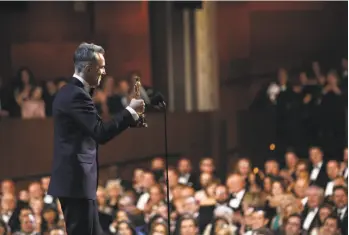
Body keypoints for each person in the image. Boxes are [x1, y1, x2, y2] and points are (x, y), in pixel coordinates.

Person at [47, 42, 145, 235]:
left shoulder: (74, 92)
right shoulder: (75, 95)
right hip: (75, 182)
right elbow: (100, 131)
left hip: (77, 182)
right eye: (101, 67)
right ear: (87, 68)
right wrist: (130, 111)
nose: (104, 71)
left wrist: (131, 117)